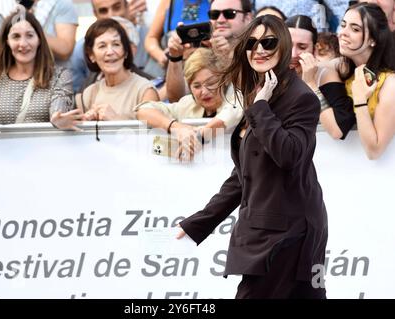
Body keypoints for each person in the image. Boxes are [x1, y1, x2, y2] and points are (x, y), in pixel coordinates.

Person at [176, 15, 328, 299]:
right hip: (272, 231)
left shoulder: (300, 98)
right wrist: (200, 222)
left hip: (289, 234)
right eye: (252, 43)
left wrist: (260, 108)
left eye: (268, 42)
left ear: (282, 46)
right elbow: (242, 175)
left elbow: (289, 156)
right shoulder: (256, 92)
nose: (259, 50)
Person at [0, 8, 80, 130]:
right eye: (16, 36)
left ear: (39, 40)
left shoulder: (59, 76)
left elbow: (59, 111)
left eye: (30, 35)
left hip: (44, 148)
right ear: (7, 42)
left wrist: (58, 119)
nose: (23, 43)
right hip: (3, 149)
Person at [318, 2, 395, 159]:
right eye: (343, 25)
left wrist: (360, 99)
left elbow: (374, 151)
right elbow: (315, 68)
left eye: (355, 29)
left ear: (373, 39)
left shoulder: (390, 84)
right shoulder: (343, 67)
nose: (343, 33)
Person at [135, 48, 242, 159]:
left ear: (223, 80)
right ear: (189, 87)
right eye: (196, 86)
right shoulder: (187, 104)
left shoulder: (237, 96)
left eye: (211, 83)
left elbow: (231, 113)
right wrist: (176, 128)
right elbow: (143, 110)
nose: (204, 91)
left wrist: (198, 139)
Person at [166, 0, 253, 102]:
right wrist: (175, 57)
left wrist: (228, 59)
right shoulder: (203, 53)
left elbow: (251, 96)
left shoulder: (261, 48)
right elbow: (176, 99)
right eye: (214, 14)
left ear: (248, 17)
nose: (220, 20)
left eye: (229, 14)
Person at [76, 18, 159, 121]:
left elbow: (152, 135)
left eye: (116, 44)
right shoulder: (88, 94)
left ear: (125, 52)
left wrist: (115, 120)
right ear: (91, 55)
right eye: (102, 46)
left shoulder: (145, 91)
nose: (110, 52)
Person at [70, 0, 150, 92]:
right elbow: (75, 94)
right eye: (103, 11)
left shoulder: (150, 38)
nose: (111, 15)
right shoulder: (80, 49)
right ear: (91, 54)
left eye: (117, 7)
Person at [144, 0, 211, 79]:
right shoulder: (168, 2)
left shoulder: (218, 3)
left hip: (206, 69)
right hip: (173, 68)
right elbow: (151, 38)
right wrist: (162, 57)